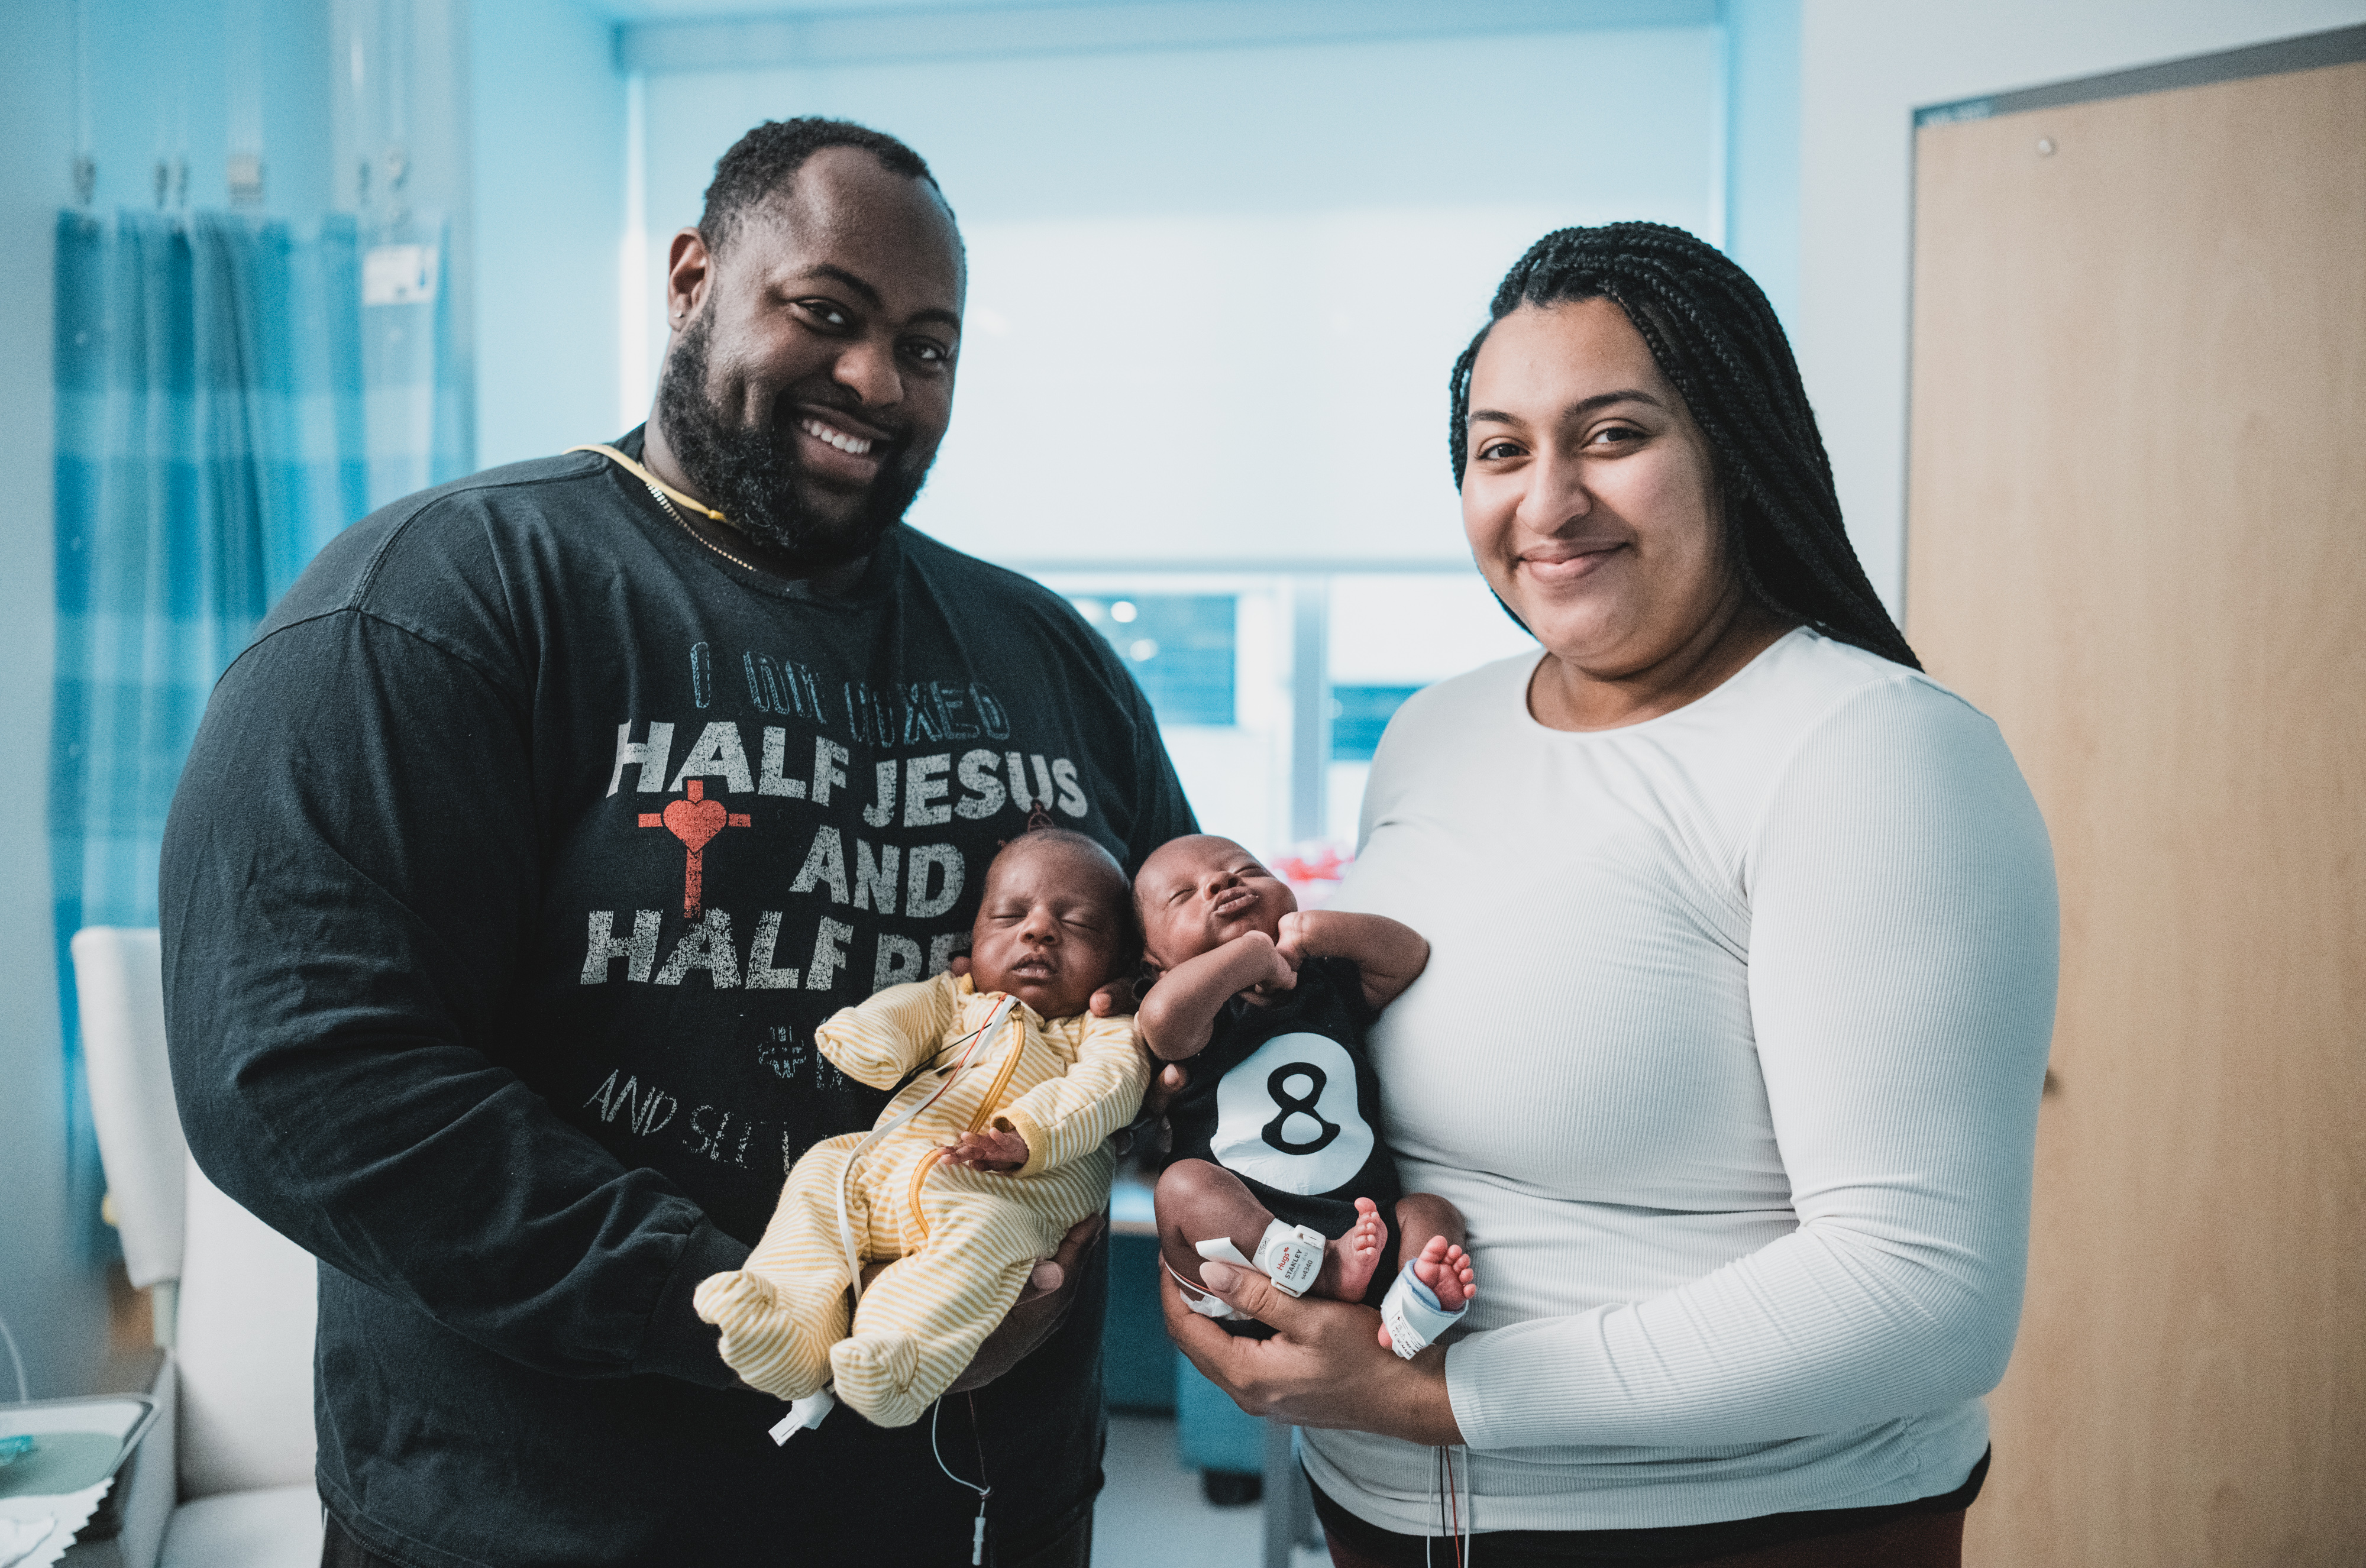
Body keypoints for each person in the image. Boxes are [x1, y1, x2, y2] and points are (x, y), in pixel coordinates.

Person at [159, 118, 1194, 1568]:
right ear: (694, 279)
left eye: (927, 348)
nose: (876, 381)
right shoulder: (436, 604)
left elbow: (1167, 1012)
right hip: (540, 1523)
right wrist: (752, 1311)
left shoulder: (1046, 657)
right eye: (825, 313)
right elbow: (299, 1071)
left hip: (988, 1510)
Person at [1163, 224, 2058, 1568]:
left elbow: (1923, 1294)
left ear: (1733, 448)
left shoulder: (1871, 750)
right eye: (1500, 449)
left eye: (1614, 436)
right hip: (1383, 1519)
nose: (1548, 502)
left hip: (1739, 1533)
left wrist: (1434, 1396)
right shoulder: (1431, 733)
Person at [694, 828, 1148, 1430]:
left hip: (1007, 1197)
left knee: (974, 1249)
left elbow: (1110, 1086)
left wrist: (1025, 1134)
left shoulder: (1104, 1029)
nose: (1038, 930)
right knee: (825, 1170)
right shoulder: (955, 998)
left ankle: (900, 1354)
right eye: (1008, 916)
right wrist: (870, 1039)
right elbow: (905, 1012)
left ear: (1122, 961)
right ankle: (789, 1320)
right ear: (974, 938)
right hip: (888, 1168)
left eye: (1080, 924)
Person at [1132, 835, 1475, 1357]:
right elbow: (1161, 1020)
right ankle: (1323, 1267)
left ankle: (1415, 1303)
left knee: (1432, 1212)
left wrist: (1315, 930)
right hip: (1243, 1260)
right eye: (1184, 895)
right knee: (1181, 1187)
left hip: (1366, 1232)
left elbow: (1407, 956)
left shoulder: (1325, 984)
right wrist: (1251, 955)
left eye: (1248, 869)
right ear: (1157, 966)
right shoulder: (1201, 1014)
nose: (1222, 881)